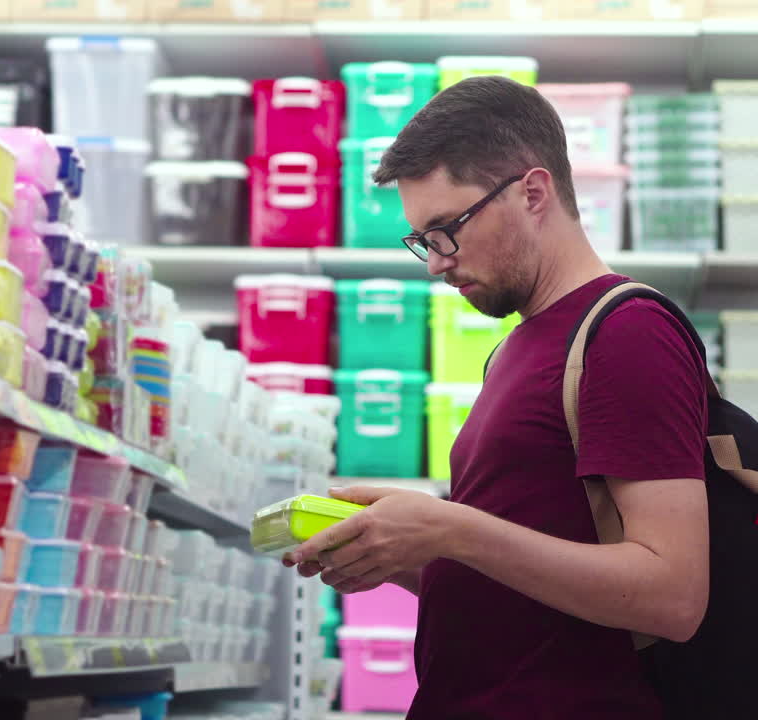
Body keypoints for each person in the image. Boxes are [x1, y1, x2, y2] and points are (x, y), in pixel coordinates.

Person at [284, 76, 711, 719]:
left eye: (445, 229)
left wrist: (450, 527)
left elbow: (673, 594)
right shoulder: (518, 348)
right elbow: (523, 595)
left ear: (533, 193)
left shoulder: (626, 334)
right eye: (422, 240)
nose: (435, 262)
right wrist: (403, 550)